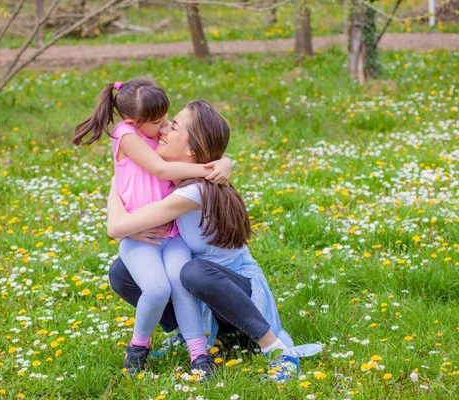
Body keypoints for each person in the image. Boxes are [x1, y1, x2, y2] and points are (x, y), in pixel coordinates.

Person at [107, 100, 321, 381]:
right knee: (122, 272)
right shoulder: (180, 179)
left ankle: (277, 350)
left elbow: (115, 227)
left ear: (191, 151)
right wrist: (224, 161)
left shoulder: (193, 192)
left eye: (174, 126)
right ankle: (187, 334)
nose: (163, 130)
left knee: (193, 271)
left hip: (237, 298)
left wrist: (116, 195)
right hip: (203, 295)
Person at [74, 79, 232, 375]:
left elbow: (188, 152)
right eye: (158, 121)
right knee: (157, 289)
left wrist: (224, 160)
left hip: (170, 235)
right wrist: (210, 169)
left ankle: (198, 353)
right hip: (140, 237)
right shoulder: (126, 136)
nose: (164, 126)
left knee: (180, 284)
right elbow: (160, 170)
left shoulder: (152, 138)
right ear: (134, 121)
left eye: (166, 119)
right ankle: (138, 348)